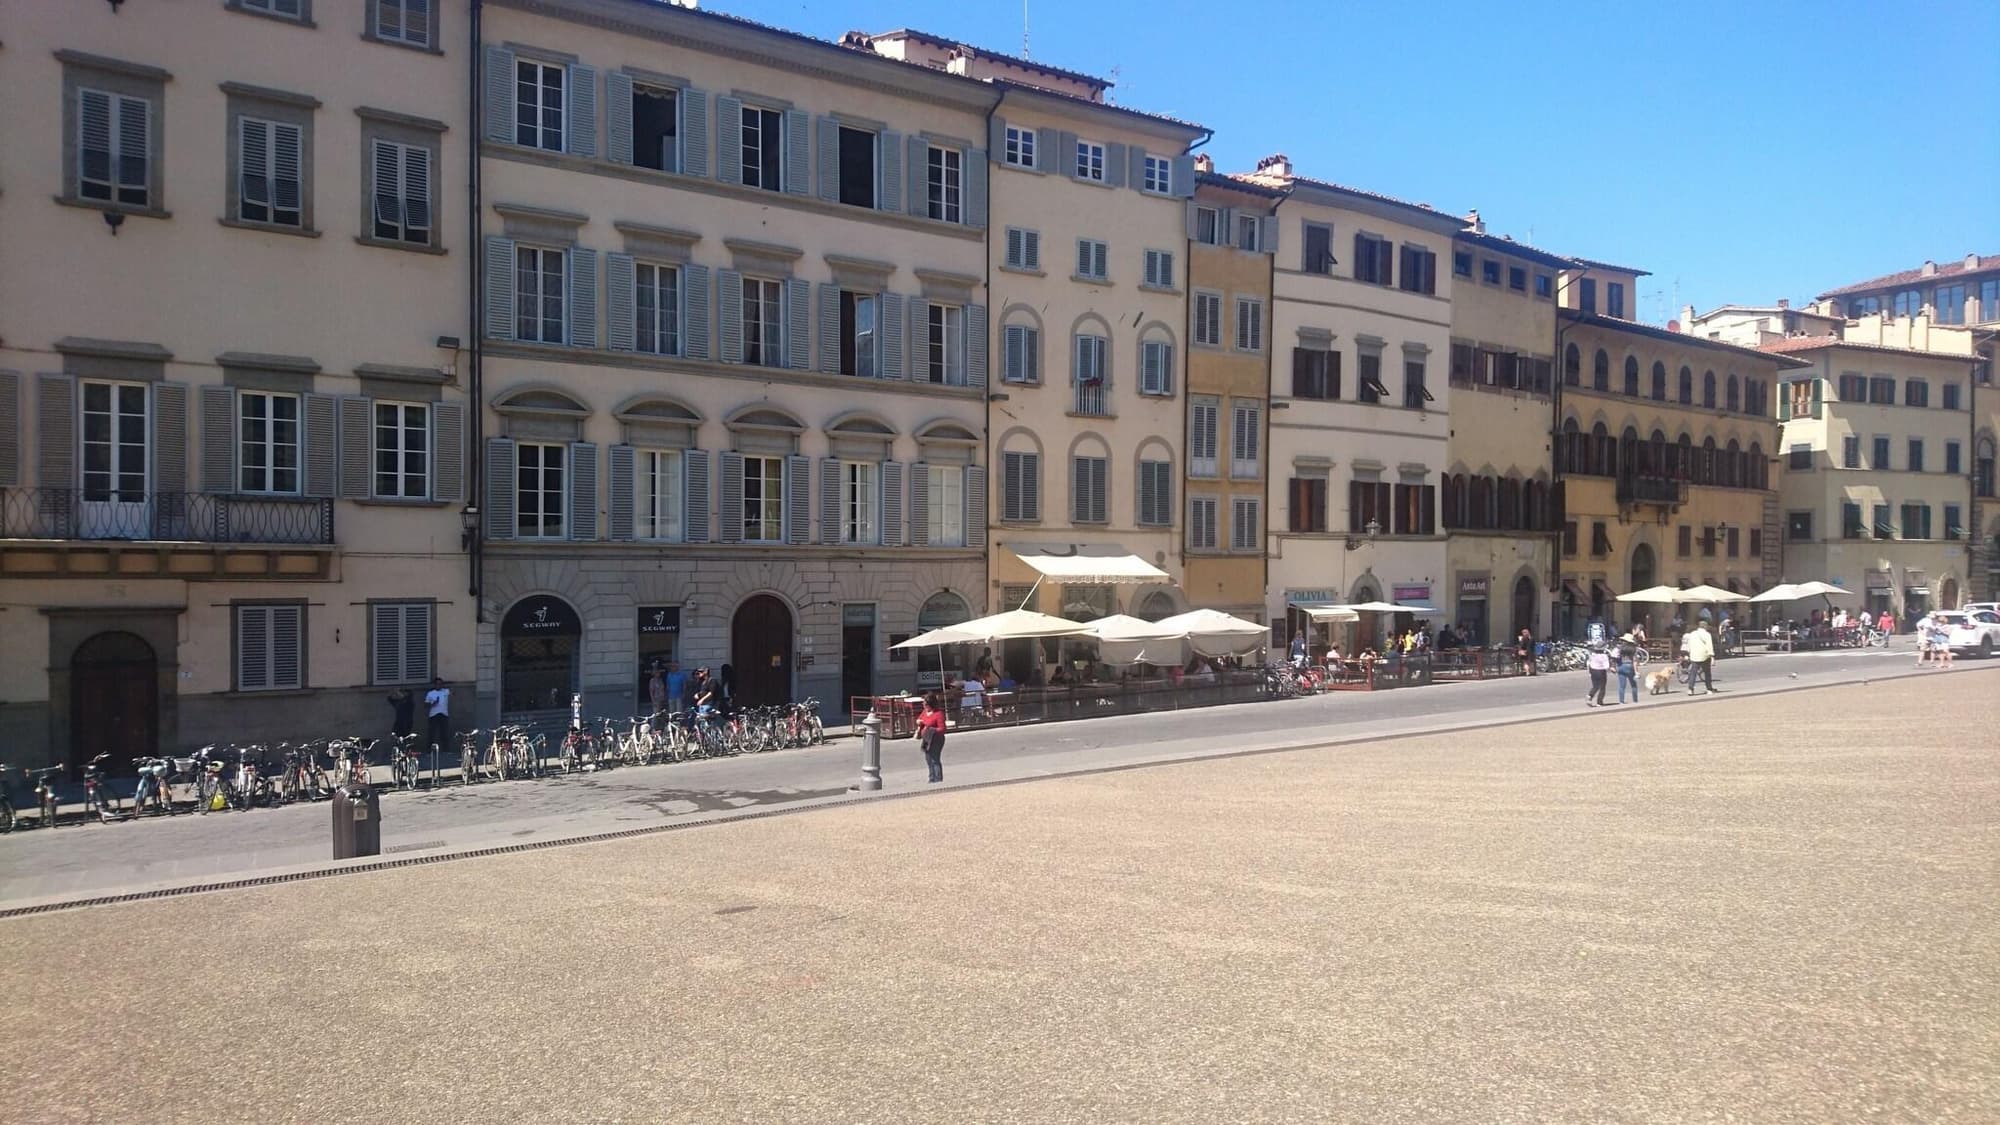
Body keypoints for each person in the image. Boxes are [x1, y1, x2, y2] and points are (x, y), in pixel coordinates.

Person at [916, 692, 947, 783]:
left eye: (926, 704)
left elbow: (942, 729)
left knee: (934, 759)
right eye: (923, 703)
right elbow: (920, 719)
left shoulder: (938, 714)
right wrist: (919, 722)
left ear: (931, 704)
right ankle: (931, 778)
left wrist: (930, 728)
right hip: (926, 739)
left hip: (936, 739)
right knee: (928, 759)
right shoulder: (925, 712)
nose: (924, 705)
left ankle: (938, 779)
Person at [1681, 621, 1716, 695]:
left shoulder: (1692, 634)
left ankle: (1690, 689)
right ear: (1705, 626)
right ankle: (1709, 689)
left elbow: (1689, 644)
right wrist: (1712, 656)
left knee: (1693, 673)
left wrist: (1688, 653)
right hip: (1704, 655)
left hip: (1694, 655)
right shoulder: (1707, 634)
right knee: (1707, 673)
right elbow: (1709, 645)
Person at [423, 677, 452, 754]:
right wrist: (433, 703)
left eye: (440, 684)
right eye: (437, 684)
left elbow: (454, 694)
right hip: (433, 715)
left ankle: (446, 750)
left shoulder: (446, 691)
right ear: (434, 685)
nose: (439, 685)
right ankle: (429, 751)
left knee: (445, 733)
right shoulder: (430, 693)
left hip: (444, 714)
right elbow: (425, 705)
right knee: (431, 733)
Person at [1614, 632, 1640, 704]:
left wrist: (1614, 666)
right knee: (1633, 685)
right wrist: (1636, 671)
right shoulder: (1634, 649)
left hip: (1621, 666)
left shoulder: (1620, 648)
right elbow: (1635, 661)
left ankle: (1621, 701)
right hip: (1630, 666)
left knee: (1622, 686)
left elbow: (1615, 657)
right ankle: (1635, 700)